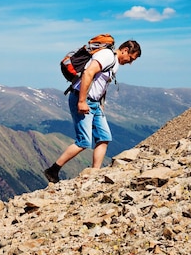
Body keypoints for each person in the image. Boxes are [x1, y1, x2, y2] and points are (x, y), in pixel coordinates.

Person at [44, 40, 141, 183]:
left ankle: (95, 173)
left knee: (104, 136)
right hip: (83, 99)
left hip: (95, 103)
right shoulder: (106, 56)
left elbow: (102, 84)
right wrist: (82, 101)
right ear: (125, 50)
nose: (130, 62)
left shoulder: (114, 63)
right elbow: (88, 74)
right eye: (131, 58)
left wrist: (101, 104)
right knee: (84, 141)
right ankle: (53, 170)